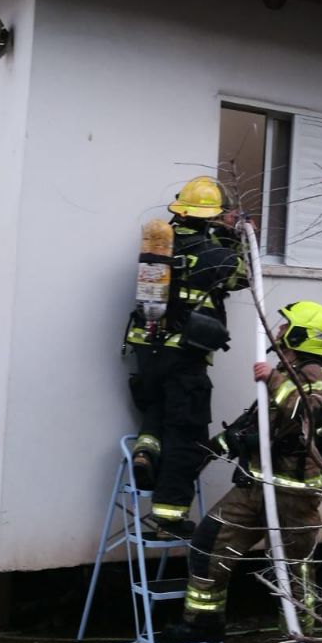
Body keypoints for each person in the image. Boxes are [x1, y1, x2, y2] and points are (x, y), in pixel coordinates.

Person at [158, 301, 322, 643]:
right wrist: (216, 447)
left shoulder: (314, 373)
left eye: (286, 324)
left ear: (300, 333)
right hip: (255, 484)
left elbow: (299, 414)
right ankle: (202, 621)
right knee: (209, 542)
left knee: (290, 569)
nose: (279, 328)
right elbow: (262, 424)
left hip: (293, 492)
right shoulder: (287, 370)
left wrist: (273, 378)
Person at [125, 176, 248, 537]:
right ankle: (170, 517)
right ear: (211, 217)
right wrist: (234, 236)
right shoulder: (215, 255)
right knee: (188, 434)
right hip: (185, 355)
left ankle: (145, 452)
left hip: (146, 348)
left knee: (158, 409)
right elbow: (243, 278)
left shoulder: (161, 245)